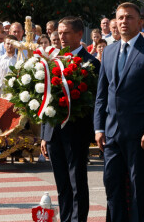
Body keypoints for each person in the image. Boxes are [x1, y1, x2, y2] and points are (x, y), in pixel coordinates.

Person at [94, 2, 144, 222]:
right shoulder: (109, 50)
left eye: (129, 17)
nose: (123, 22)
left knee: (140, 190)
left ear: (140, 22)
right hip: (112, 134)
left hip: (140, 135)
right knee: (112, 185)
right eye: (120, 17)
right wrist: (99, 127)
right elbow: (102, 93)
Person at [40, 17, 100, 222]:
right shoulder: (52, 59)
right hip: (54, 132)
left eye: (66, 33)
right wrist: (44, 135)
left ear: (78, 34)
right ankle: (65, 218)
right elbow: (45, 98)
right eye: (59, 32)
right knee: (62, 184)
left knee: (77, 182)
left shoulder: (91, 62)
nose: (61, 37)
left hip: (76, 131)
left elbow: (95, 100)